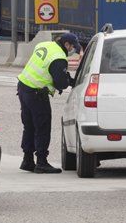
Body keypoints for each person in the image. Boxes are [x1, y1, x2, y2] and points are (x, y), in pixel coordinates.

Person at [17, 32, 81, 174]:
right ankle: (41, 162)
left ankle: (27, 160)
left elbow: (45, 68)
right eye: (72, 47)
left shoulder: (44, 45)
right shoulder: (59, 57)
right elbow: (60, 83)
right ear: (66, 44)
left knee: (29, 127)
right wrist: (69, 82)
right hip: (37, 94)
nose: (73, 50)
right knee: (42, 128)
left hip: (23, 88)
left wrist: (65, 77)